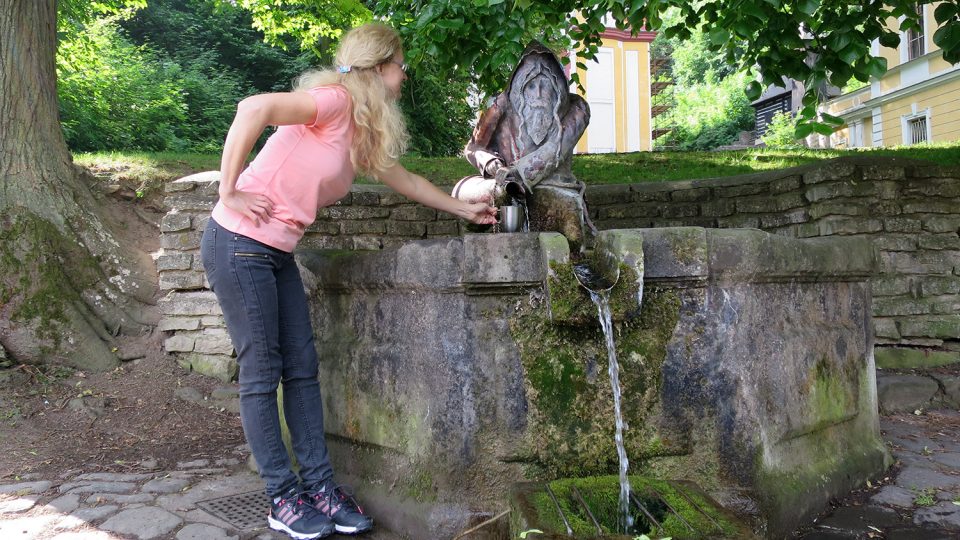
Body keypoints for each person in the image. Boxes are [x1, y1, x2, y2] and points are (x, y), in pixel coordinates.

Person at [200, 23, 497, 540]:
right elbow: (253, 108)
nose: (404, 76)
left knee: (303, 369)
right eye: (401, 66)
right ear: (380, 67)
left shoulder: (359, 125)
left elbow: (402, 178)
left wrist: (462, 208)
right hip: (239, 243)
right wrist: (230, 191)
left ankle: (319, 488)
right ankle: (282, 497)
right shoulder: (333, 100)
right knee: (262, 371)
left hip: (275, 251)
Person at [462, 41, 596, 251]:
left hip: (554, 186)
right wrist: (490, 163)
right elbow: (472, 148)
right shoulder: (499, 106)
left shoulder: (577, 109)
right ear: (519, 88)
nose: (539, 94)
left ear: (558, 89)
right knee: (466, 191)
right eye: (531, 86)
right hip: (502, 187)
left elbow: (553, 151)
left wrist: (518, 174)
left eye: (545, 85)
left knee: (564, 211)